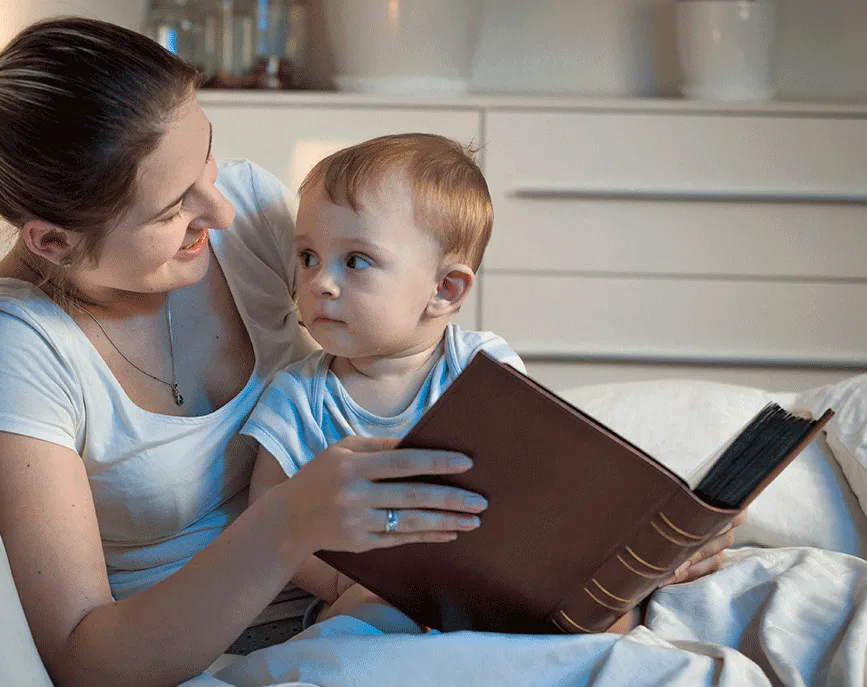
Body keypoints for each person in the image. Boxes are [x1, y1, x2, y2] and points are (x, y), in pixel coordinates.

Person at [0, 16, 739, 687]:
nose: (220, 211)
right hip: (262, 658)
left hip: (409, 591)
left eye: (206, 162)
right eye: (174, 205)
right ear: (51, 242)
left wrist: (615, 535)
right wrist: (289, 523)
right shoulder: (18, 354)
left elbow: (396, 341)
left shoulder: (252, 216)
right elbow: (86, 672)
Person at [239, 134, 743, 635]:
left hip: (491, 582)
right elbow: (268, 515)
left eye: (355, 261)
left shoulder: (480, 365)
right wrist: (337, 586)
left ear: (444, 290)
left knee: (611, 620)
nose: (320, 283)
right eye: (307, 257)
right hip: (373, 593)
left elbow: (537, 478)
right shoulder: (297, 395)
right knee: (360, 626)